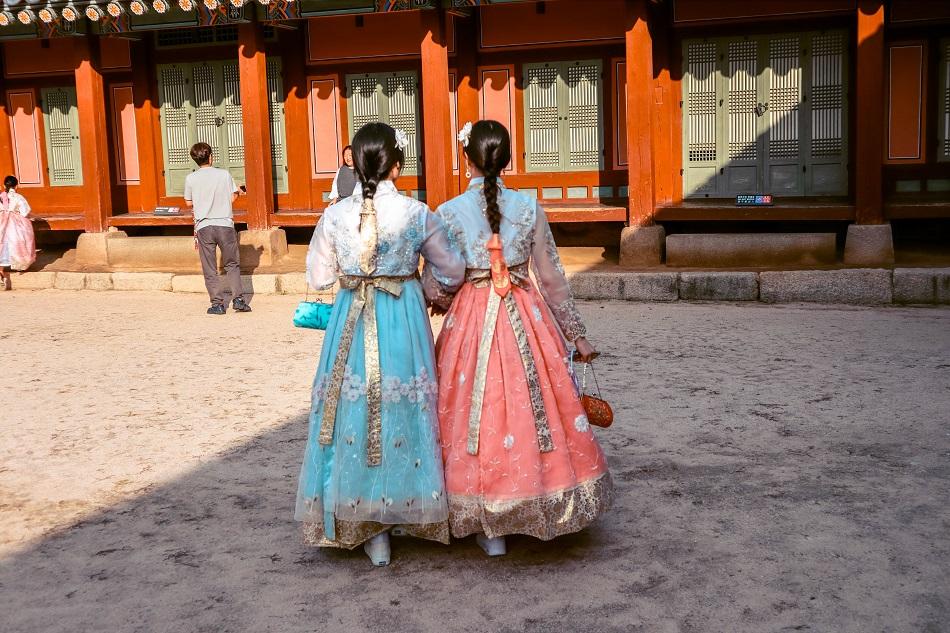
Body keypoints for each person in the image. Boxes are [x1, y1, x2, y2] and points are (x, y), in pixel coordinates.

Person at [427, 120, 613, 556]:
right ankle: (538, 500)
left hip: (470, 319)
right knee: (534, 408)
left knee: (473, 407)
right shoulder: (530, 206)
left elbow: (442, 280)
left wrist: (433, 298)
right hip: (525, 315)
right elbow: (551, 278)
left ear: (466, 158)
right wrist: (577, 335)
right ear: (509, 159)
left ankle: (485, 522)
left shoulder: (448, 211)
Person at [294, 122, 465, 566]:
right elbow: (451, 270)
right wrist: (428, 288)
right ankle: (405, 507)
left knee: (354, 407)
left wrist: (355, 272)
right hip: (401, 316)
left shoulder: (333, 215)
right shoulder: (416, 212)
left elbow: (318, 276)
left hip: (352, 317)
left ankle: (363, 520)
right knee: (403, 405)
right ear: (396, 163)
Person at [183, 142, 251, 315]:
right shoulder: (224, 174)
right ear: (211, 156)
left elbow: (188, 202)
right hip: (225, 224)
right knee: (232, 264)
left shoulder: (191, 179)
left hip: (204, 226)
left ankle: (217, 304)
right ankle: (239, 300)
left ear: (195, 160)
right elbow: (232, 198)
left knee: (210, 267)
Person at [0, 175, 36, 290]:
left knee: (2, 243)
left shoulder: (1, 196)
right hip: (14, 222)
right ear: (16, 186)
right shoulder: (18, 197)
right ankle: (19, 265)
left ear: (4, 185)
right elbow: (25, 211)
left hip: (1, 221)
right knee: (18, 240)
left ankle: (1, 271)